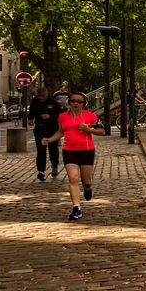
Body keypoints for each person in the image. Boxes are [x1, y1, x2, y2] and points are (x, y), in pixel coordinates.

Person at [42, 92, 107, 221]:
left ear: (84, 104)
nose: (75, 103)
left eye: (79, 101)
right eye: (73, 101)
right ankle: (76, 208)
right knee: (73, 178)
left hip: (86, 150)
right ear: (69, 102)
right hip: (69, 150)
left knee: (86, 180)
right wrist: (49, 140)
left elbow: (102, 131)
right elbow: (61, 132)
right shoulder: (62, 116)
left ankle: (87, 188)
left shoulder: (90, 116)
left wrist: (89, 130)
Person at [27, 86, 63, 181]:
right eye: (39, 96)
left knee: (53, 149)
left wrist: (50, 116)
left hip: (52, 129)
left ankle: (54, 166)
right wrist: (30, 119)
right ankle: (41, 171)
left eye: (43, 96)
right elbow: (31, 112)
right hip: (39, 129)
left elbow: (60, 115)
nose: (41, 98)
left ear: (47, 94)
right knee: (41, 150)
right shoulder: (35, 102)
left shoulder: (54, 103)